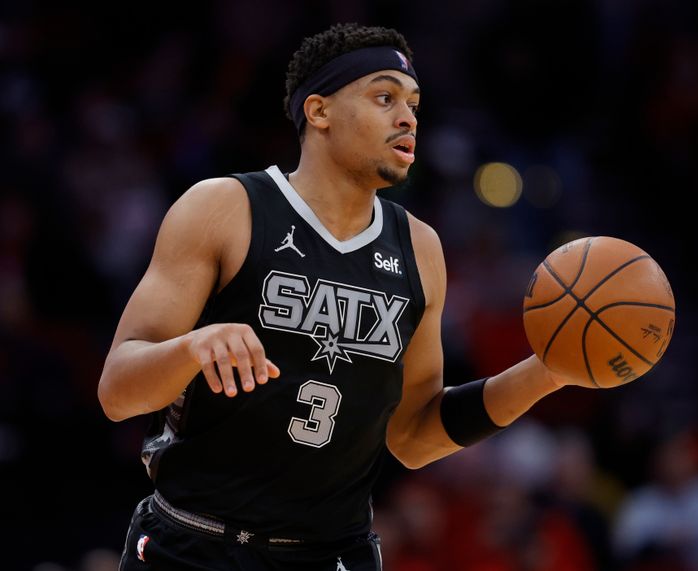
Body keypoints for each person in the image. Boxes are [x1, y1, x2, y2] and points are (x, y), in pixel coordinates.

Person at [98, 22, 576, 571]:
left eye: (414, 104)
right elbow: (117, 392)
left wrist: (549, 372)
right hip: (195, 543)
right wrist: (191, 349)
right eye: (384, 97)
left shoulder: (420, 248)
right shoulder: (225, 208)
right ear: (319, 112)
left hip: (333, 555)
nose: (407, 118)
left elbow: (415, 436)